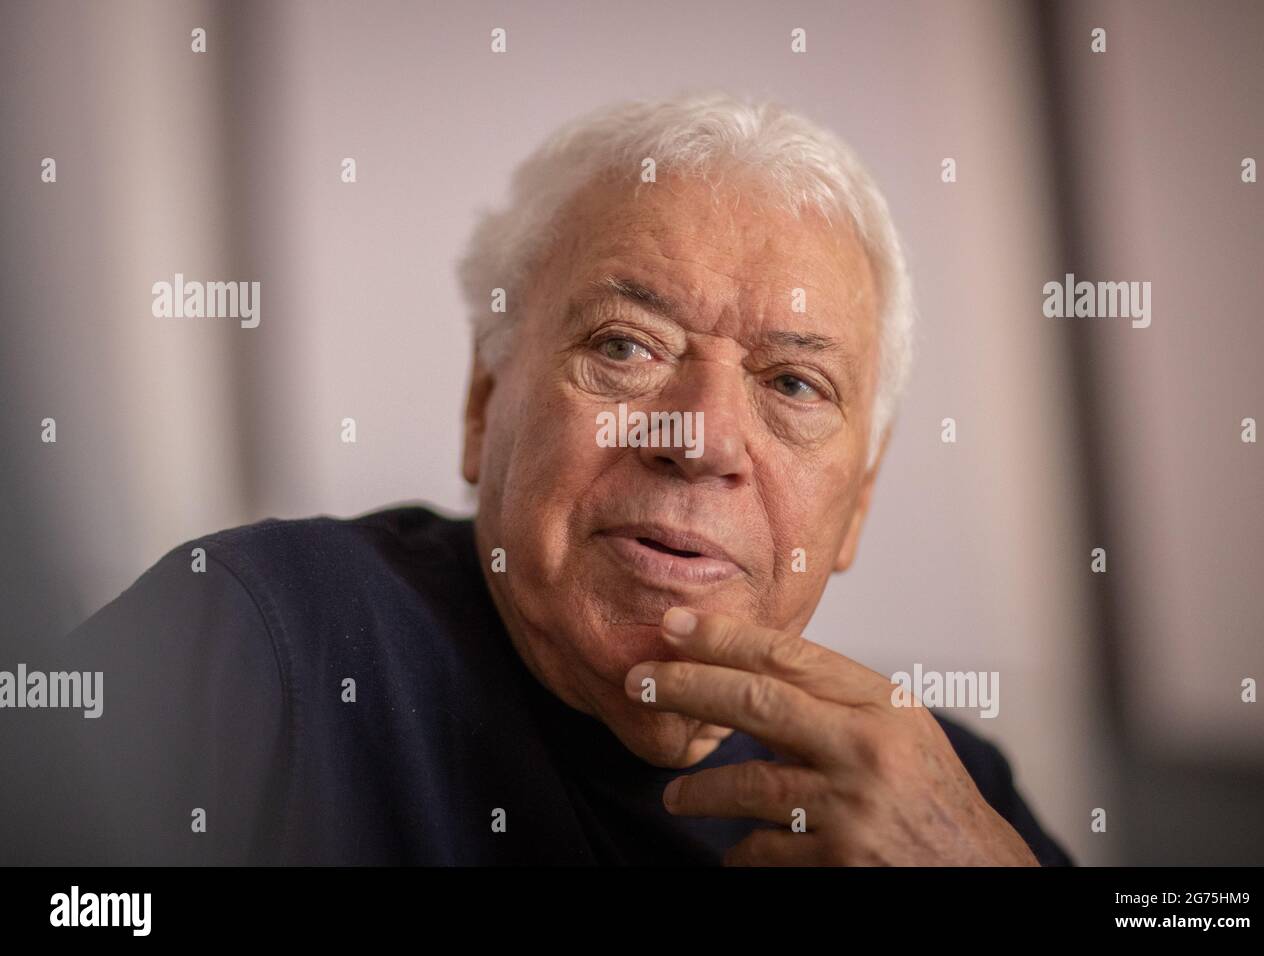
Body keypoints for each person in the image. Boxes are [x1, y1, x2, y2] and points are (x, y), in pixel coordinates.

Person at [41, 90, 1072, 866]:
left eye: (794, 382)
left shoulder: (938, 790)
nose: (702, 438)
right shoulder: (262, 641)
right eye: (626, 345)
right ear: (483, 403)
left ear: (858, 502)